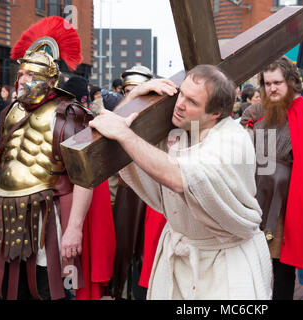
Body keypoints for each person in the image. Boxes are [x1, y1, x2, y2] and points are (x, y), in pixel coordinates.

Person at [90, 64, 272, 300]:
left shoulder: (231, 142)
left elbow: (180, 177)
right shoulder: (182, 129)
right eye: (181, 94)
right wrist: (135, 94)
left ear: (215, 113)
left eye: (193, 102)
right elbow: (115, 124)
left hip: (225, 262)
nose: (180, 104)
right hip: (180, 256)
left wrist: (125, 134)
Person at [0, 16, 114, 300]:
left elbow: (84, 177)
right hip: (7, 216)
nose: (23, 80)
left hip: (48, 218)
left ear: (49, 80)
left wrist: (74, 230)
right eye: (21, 74)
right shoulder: (9, 113)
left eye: (31, 75)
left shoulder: (69, 114)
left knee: (49, 289)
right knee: (9, 290)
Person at [240, 56, 303, 300]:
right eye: (267, 83)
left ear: (292, 82)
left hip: (291, 205)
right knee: (259, 267)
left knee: (282, 269)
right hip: (262, 203)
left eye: (277, 82)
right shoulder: (264, 118)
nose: (272, 88)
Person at [109, 64, 164, 300]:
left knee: (148, 253)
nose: (132, 94)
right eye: (128, 90)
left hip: (155, 193)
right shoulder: (119, 113)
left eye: (138, 90)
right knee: (123, 250)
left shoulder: (160, 115)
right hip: (127, 190)